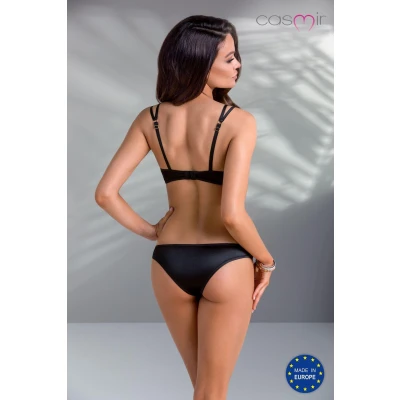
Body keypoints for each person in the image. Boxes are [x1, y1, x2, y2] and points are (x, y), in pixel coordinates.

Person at [94, 14, 275, 400]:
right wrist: (266, 261)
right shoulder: (239, 122)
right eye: (229, 57)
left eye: (236, 55)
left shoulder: (151, 119)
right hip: (225, 261)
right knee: (212, 392)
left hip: (168, 263)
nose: (238, 64)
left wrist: (153, 231)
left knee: (204, 390)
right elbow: (232, 215)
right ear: (199, 61)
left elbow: (106, 194)